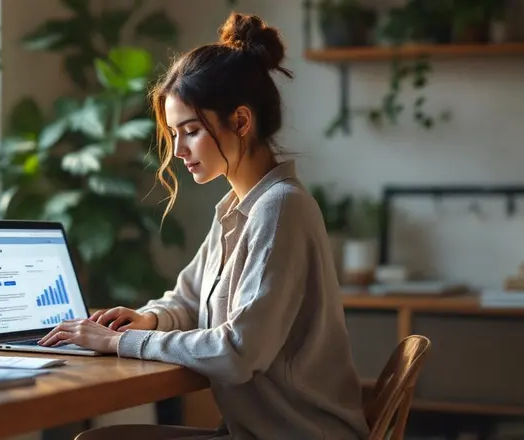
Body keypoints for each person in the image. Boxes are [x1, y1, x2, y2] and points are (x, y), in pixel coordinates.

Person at [38, 11, 370, 440]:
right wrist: (146, 320)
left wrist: (118, 342)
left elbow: (237, 352)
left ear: (241, 121)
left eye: (190, 130)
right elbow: (189, 300)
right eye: (174, 133)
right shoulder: (237, 208)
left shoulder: (279, 209)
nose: (178, 150)